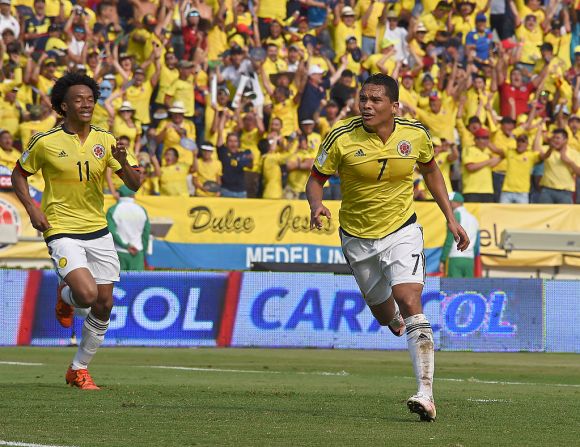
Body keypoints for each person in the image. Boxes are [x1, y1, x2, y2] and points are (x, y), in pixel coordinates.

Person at [306, 73, 469, 422]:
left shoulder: (415, 134)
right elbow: (315, 179)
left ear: (393, 106)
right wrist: (316, 204)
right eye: (363, 98)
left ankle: (425, 393)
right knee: (385, 316)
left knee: (411, 299)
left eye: (375, 100)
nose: (366, 105)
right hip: (357, 237)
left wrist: (451, 218)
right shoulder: (341, 137)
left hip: (402, 230)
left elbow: (431, 172)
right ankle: (393, 320)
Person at [11, 73, 141, 390]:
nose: (86, 104)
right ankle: (66, 296)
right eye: (79, 99)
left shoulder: (107, 141)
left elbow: (135, 184)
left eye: (90, 99)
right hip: (61, 228)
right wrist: (32, 207)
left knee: (104, 303)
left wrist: (124, 163)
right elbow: (19, 174)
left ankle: (78, 369)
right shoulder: (45, 142)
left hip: (98, 230)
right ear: (63, 106)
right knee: (86, 295)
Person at [106, 185, 150, 271]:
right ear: (133, 195)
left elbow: (111, 232)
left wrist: (126, 246)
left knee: (118, 284)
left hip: (119, 252)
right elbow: (146, 233)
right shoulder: (142, 210)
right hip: (137, 252)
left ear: (119, 194)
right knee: (138, 283)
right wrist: (142, 251)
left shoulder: (112, 210)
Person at [439, 192, 479, 278]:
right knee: (468, 290)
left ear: (455, 203)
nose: (448, 205)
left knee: (453, 289)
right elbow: (476, 244)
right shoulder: (474, 218)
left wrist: (443, 259)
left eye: (450, 202)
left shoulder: (453, 217)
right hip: (469, 259)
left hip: (455, 258)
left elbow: (449, 240)